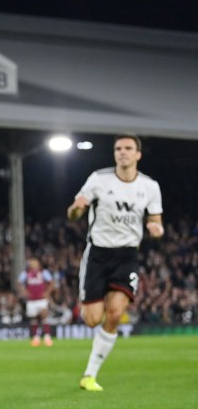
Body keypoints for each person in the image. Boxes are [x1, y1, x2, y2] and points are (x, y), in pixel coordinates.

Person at [67, 134, 163, 392]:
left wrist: (157, 229)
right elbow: (74, 212)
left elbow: (156, 221)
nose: (123, 152)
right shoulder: (99, 179)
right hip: (97, 254)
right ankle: (90, 367)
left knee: (115, 313)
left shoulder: (150, 187)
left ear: (138, 155)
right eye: (118, 148)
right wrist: (77, 208)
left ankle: (90, 374)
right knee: (92, 319)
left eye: (128, 148)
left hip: (127, 255)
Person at [18, 257, 55, 346]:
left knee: (44, 316)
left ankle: (47, 337)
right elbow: (19, 283)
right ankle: (36, 338)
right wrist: (24, 292)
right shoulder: (26, 273)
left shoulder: (43, 272)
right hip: (31, 300)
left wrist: (47, 293)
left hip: (41, 299)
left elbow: (52, 282)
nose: (33, 264)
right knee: (34, 319)